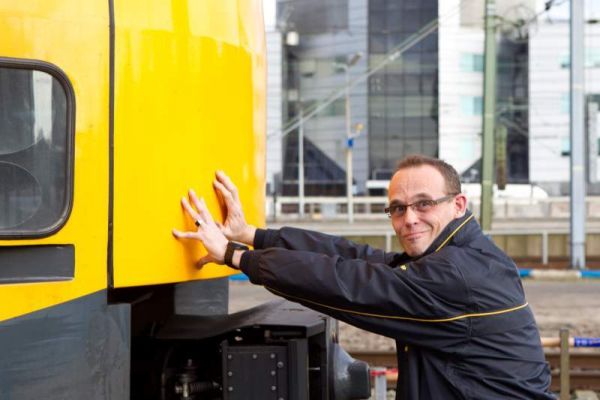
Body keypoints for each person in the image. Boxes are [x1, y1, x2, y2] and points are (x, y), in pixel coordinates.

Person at [173, 155, 554, 399]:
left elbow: (348, 284)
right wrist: (252, 236)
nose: (409, 218)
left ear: (458, 205)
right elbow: (358, 258)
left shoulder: (455, 275)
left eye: (424, 204)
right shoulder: (462, 255)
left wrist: (234, 256)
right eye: (398, 208)